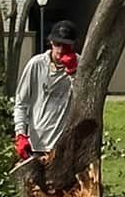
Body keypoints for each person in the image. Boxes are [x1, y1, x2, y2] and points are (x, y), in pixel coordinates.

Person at [13, 18, 79, 163]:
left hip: (64, 146)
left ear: (73, 46)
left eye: (66, 45)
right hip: (37, 145)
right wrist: (20, 134)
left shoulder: (80, 65)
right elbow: (21, 103)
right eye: (57, 44)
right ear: (51, 42)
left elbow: (83, 100)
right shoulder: (36, 64)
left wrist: (73, 72)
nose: (60, 50)